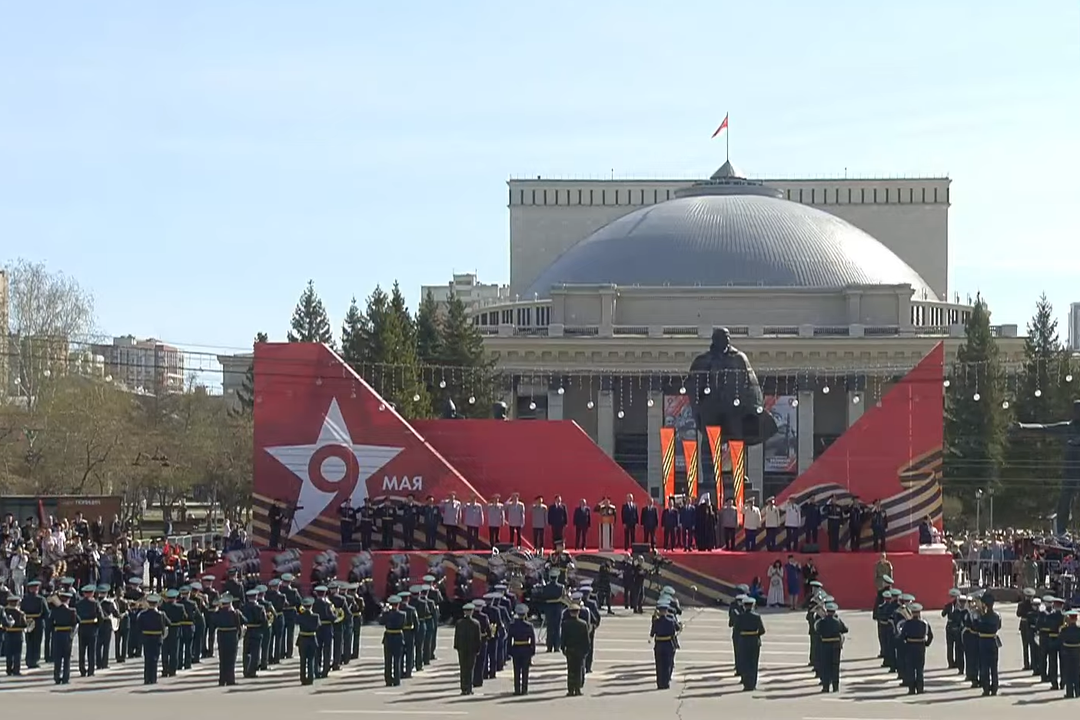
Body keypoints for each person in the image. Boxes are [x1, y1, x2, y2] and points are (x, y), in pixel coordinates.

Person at [899, 602, 932, 694]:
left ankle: (911, 689)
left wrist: (905, 644)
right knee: (919, 669)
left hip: (910, 646)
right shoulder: (924, 623)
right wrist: (926, 643)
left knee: (910, 669)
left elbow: (902, 636)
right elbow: (930, 635)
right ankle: (920, 688)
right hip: (920, 647)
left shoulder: (907, 623)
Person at [814, 601, 847, 692]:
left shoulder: (821, 622)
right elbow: (845, 629)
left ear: (827, 611)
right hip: (836, 646)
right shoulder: (838, 621)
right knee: (835, 666)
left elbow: (817, 631)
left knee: (825, 666)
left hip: (825, 645)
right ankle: (835, 687)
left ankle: (826, 686)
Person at [734, 595, 765, 690]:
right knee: (753, 663)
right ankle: (752, 684)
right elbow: (762, 630)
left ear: (744, 606)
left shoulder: (740, 617)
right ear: (752, 606)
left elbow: (737, 629)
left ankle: (746, 683)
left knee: (744, 662)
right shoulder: (757, 616)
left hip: (743, 640)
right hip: (754, 640)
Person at [560, 602, 591, 696]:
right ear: (578, 612)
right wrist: (586, 651)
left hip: (570, 650)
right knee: (578, 670)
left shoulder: (565, 624)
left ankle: (570, 689)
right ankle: (577, 689)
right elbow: (586, 639)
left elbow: (563, 638)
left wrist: (563, 649)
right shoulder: (583, 624)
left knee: (570, 670)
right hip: (580, 650)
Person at [136, 593, 166, 685]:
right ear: (157, 604)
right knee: (155, 659)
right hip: (157, 638)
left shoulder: (143, 614)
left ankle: (146, 678)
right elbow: (164, 627)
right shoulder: (160, 615)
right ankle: (153, 678)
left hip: (146, 638)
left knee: (147, 659)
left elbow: (139, 627)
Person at [454, 602, 482, 695]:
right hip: (472, 649)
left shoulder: (459, 623)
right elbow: (478, 638)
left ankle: (463, 687)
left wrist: (457, 646)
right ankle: (469, 688)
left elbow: (456, 636)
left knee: (463, 668)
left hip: (462, 649)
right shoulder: (476, 623)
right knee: (470, 669)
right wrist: (478, 649)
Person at [976, 592, 1001, 696]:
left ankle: (986, 688)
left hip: (984, 642)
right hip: (993, 641)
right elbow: (999, 626)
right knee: (994, 667)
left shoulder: (982, 617)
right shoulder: (997, 616)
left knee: (985, 666)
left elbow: (976, 626)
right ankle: (994, 687)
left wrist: (979, 612)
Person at [507, 603, 536, 695]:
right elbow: (533, 640)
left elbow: (509, 639)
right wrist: (532, 650)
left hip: (516, 647)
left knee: (516, 671)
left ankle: (517, 689)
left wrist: (509, 650)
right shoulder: (529, 625)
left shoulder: (512, 625)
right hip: (526, 648)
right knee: (525, 671)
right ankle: (524, 689)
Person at [49, 590, 76, 685]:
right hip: (67, 635)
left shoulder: (54, 611)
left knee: (57, 657)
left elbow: (50, 623)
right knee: (66, 658)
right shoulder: (72, 611)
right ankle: (65, 678)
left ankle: (56, 677)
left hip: (57, 634)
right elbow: (77, 622)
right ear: (68, 600)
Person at [214, 593, 241, 686]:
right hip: (232, 636)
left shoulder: (217, 613)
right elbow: (242, 622)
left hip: (221, 636)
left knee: (222, 659)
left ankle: (222, 680)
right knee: (231, 659)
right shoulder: (235, 613)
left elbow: (213, 623)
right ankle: (230, 679)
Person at [651, 600, 679, 689]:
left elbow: (652, 633)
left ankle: (659, 683)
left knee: (659, 665)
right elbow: (677, 629)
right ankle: (665, 683)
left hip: (659, 645)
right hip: (668, 644)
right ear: (666, 611)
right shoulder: (671, 620)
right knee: (667, 664)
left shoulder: (656, 621)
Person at [381, 594, 406, 686]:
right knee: (397, 660)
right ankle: (396, 680)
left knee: (388, 661)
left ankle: (388, 679)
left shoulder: (386, 614)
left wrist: (384, 611)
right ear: (398, 604)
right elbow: (403, 625)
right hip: (398, 637)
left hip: (388, 637)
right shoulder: (403, 614)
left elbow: (381, 622)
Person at [295, 596, 321, 685]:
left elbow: (296, 622)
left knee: (302, 660)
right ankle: (310, 678)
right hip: (312, 639)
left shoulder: (300, 616)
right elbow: (318, 626)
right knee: (311, 659)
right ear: (311, 606)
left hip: (302, 638)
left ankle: (302, 678)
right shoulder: (316, 616)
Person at [3, 594, 28, 676]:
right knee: (17, 653)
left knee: (9, 653)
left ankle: (8, 669)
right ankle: (16, 670)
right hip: (18, 633)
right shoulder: (20, 613)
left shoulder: (5, 611)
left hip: (8, 633)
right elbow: (24, 625)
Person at [1059, 609, 1080, 699]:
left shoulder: (1064, 629)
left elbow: (1060, 640)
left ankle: (1069, 692)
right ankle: (1078, 692)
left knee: (1068, 673)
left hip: (1067, 652)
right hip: (1077, 652)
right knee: (1077, 672)